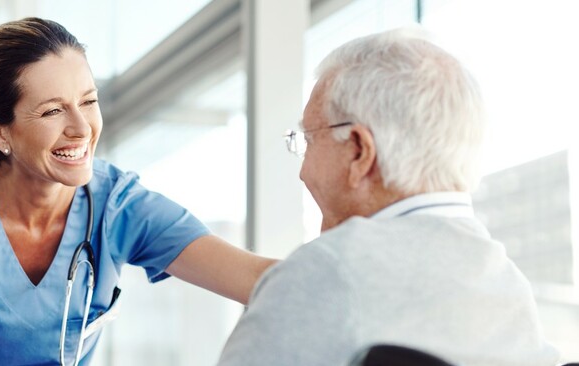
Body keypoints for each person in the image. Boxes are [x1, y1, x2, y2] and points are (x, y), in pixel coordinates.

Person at [0, 17, 276, 365]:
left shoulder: (118, 205)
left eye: (88, 101)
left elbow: (262, 280)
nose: (81, 128)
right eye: (53, 110)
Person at [217, 28, 561, 365]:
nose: (303, 170)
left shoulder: (329, 269)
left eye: (309, 139)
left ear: (358, 151)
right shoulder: (509, 289)